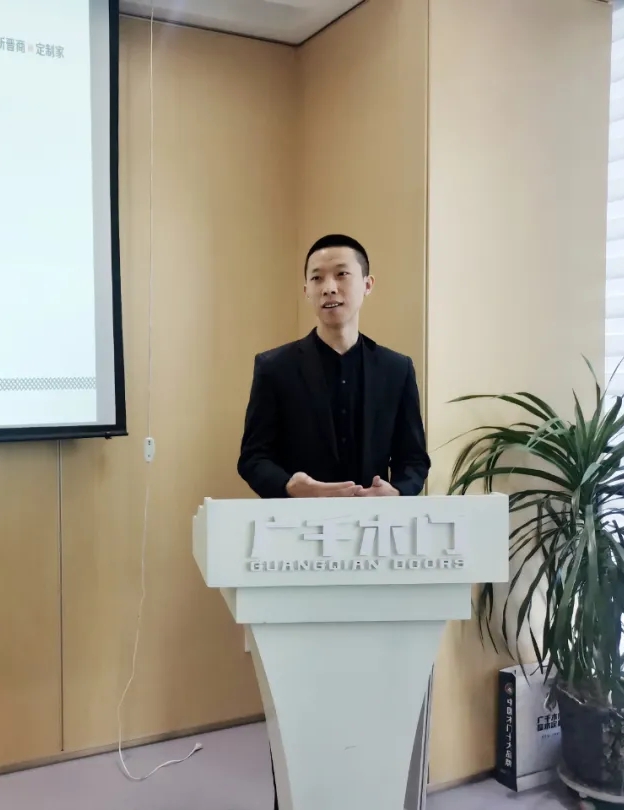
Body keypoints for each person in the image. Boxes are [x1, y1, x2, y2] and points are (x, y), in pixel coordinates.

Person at [236, 233, 430, 809]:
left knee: (370, 694)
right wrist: (294, 487)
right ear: (305, 290)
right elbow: (253, 458)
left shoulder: (397, 369)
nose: (329, 287)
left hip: (377, 556)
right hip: (297, 554)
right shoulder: (274, 368)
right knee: (302, 697)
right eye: (317, 277)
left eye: (342, 274)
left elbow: (414, 461)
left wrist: (400, 492)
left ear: (366, 285)